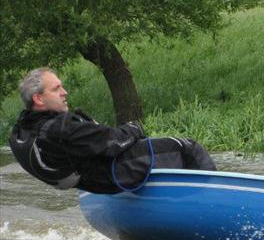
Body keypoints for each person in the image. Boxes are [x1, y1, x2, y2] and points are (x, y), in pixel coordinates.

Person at [8, 67, 216, 194]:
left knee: (156, 151)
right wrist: (134, 128)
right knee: (186, 146)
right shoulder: (61, 129)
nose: (65, 92)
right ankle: (214, 201)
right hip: (113, 174)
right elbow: (114, 142)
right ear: (38, 98)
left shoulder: (20, 132)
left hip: (91, 183)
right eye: (56, 89)